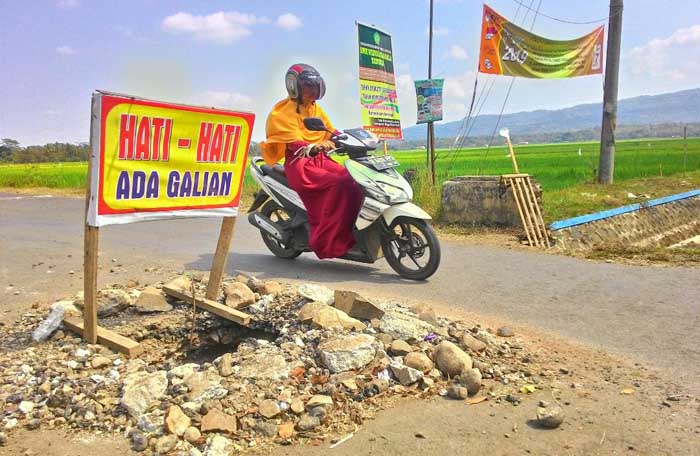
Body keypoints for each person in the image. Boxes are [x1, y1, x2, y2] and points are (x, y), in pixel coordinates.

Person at [261, 64, 364, 259]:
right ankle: (327, 241)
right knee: (338, 184)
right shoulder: (281, 112)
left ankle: (350, 232)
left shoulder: (315, 108)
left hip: (321, 160)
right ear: (295, 87)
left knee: (354, 180)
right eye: (308, 86)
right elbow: (292, 141)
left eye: (315, 87)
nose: (313, 91)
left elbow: (330, 130)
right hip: (301, 164)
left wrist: (349, 139)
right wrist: (313, 147)